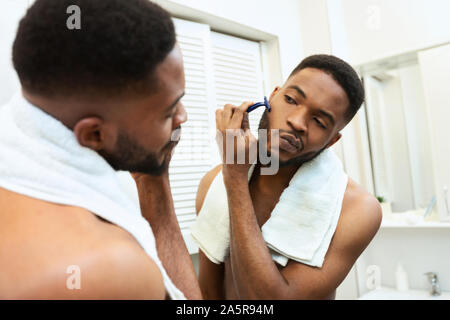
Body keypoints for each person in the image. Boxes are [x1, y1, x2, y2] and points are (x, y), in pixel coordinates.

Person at [0, 0, 201, 299]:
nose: (182, 117)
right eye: (169, 110)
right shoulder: (108, 268)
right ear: (94, 134)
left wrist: (154, 175)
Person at [196, 55, 382, 300]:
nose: (296, 122)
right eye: (291, 100)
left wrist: (235, 180)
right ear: (273, 96)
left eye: (319, 120)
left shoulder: (357, 210)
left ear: (332, 141)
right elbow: (209, 292)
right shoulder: (213, 183)